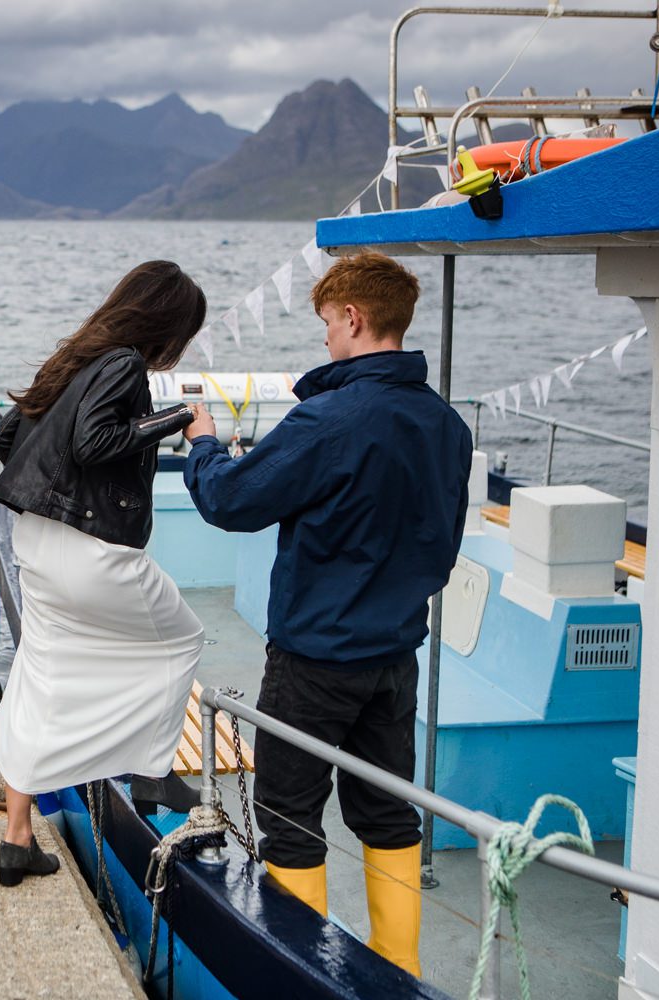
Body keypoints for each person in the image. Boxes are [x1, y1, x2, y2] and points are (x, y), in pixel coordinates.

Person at [181, 251, 472, 977]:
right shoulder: (446, 425)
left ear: (353, 317)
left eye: (326, 324)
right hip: (395, 658)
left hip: (315, 660)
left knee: (288, 816)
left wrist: (203, 444)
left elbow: (231, 501)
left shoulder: (329, 417)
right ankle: (399, 971)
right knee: (387, 812)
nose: (324, 341)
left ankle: (299, 973)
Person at [0, 260, 206, 887]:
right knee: (181, 640)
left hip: (36, 542)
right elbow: (92, 441)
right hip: (91, 551)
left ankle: (17, 838)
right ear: (164, 323)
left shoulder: (71, 361)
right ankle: (151, 767)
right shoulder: (124, 363)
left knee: (41, 673)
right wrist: (180, 420)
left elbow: (10, 438)